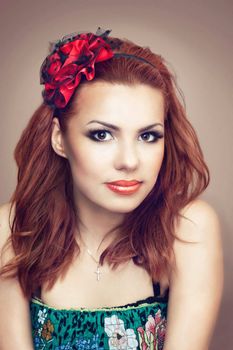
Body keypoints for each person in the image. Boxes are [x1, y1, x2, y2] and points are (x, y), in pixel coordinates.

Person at [0, 27, 224, 350]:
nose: (130, 161)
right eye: (102, 135)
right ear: (59, 138)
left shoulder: (187, 231)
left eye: (148, 136)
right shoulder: (12, 231)